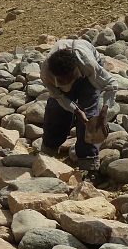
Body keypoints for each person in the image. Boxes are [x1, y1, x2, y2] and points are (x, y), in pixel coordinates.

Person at [39, 39, 118, 172]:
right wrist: (75, 110)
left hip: (86, 75)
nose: (69, 84)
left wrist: (104, 112)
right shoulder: (46, 73)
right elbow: (59, 96)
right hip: (67, 75)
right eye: (64, 81)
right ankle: (48, 151)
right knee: (55, 111)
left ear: (76, 70)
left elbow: (111, 84)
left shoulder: (88, 64)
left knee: (89, 115)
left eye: (71, 79)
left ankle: (89, 163)